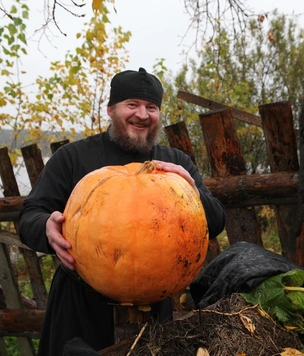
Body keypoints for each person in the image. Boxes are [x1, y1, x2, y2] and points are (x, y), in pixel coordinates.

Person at [19, 67, 226, 356]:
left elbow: (215, 222)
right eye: (132, 104)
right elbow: (30, 214)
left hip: (153, 311)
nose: (142, 114)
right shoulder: (72, 158)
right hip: (80, 308)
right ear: (110, 109)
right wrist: (46, 227)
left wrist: (194, 190)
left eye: (151, 107)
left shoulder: (175, 164)